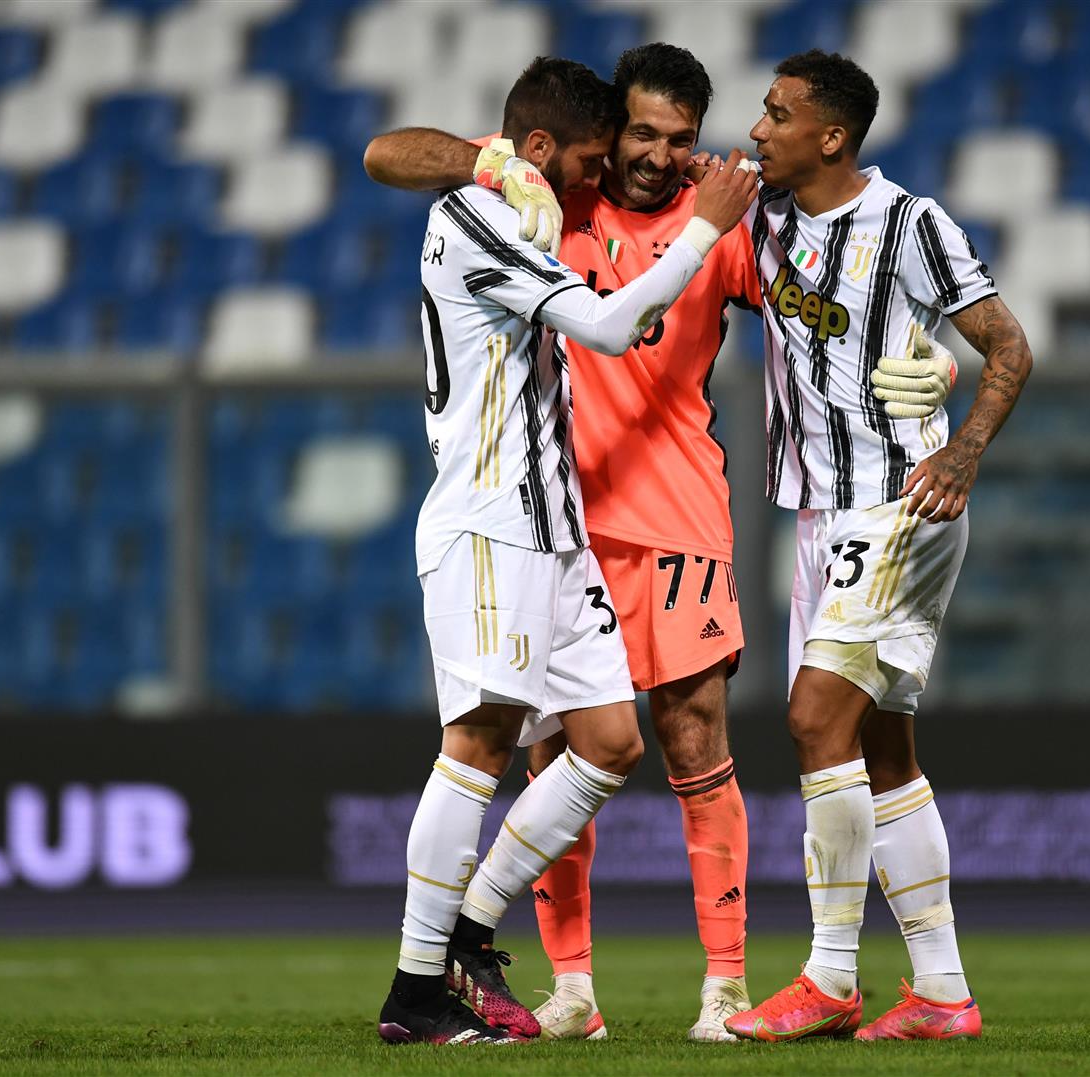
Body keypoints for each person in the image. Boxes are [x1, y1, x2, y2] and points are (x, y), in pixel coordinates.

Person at [365, 55, 757, 1046]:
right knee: (480, 743)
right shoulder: (481, 216)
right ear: (537, 148)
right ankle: (416, 988)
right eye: (589, 157)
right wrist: (704, 226)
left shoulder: (522, 202)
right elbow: (611, 325)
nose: (594, 177)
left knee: (610, 743)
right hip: (493, 521)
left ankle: (465, 927)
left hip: (556, 531)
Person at [719, 49, 1034, 1043]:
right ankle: (941, 992)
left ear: (831, 136)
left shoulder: (910, 224)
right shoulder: (762, 216)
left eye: (778, 114)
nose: (759, 128)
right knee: (882, 750)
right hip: (818, 516)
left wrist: (964, 448)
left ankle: (829, 975)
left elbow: (1008, 344)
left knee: (815, 719)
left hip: (896, 506)